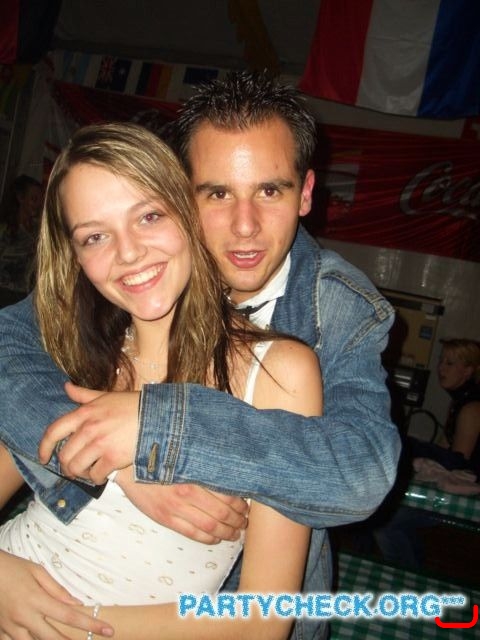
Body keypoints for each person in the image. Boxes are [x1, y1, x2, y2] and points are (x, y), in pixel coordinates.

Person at [0, 71, 401, 640]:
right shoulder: (91, 328)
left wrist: (158, 431)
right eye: (217, 193)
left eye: (270, 190)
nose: (245, 226)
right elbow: (10, 348)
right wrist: (112, 459)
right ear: (183, 195)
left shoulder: (330, 319)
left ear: (307, 192)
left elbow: (361, 475)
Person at [373, 337, 480, 569]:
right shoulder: (459, 402)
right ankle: (413, 568)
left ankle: (406, 574)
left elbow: (458, 462)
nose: (441, 368)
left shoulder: (472, 409)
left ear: (468, 371)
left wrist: (411, 448)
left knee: (387, 522)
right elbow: (444, 446)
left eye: (450, 363)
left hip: (470, 491)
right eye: (441, 361)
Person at [0, 174, 43, 293]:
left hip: (29, 294)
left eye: (40, 200)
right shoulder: (6, 229)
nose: (38, 204)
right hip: (6, 292)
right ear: (20, 198)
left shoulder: (38, 229)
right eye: (34, 199)